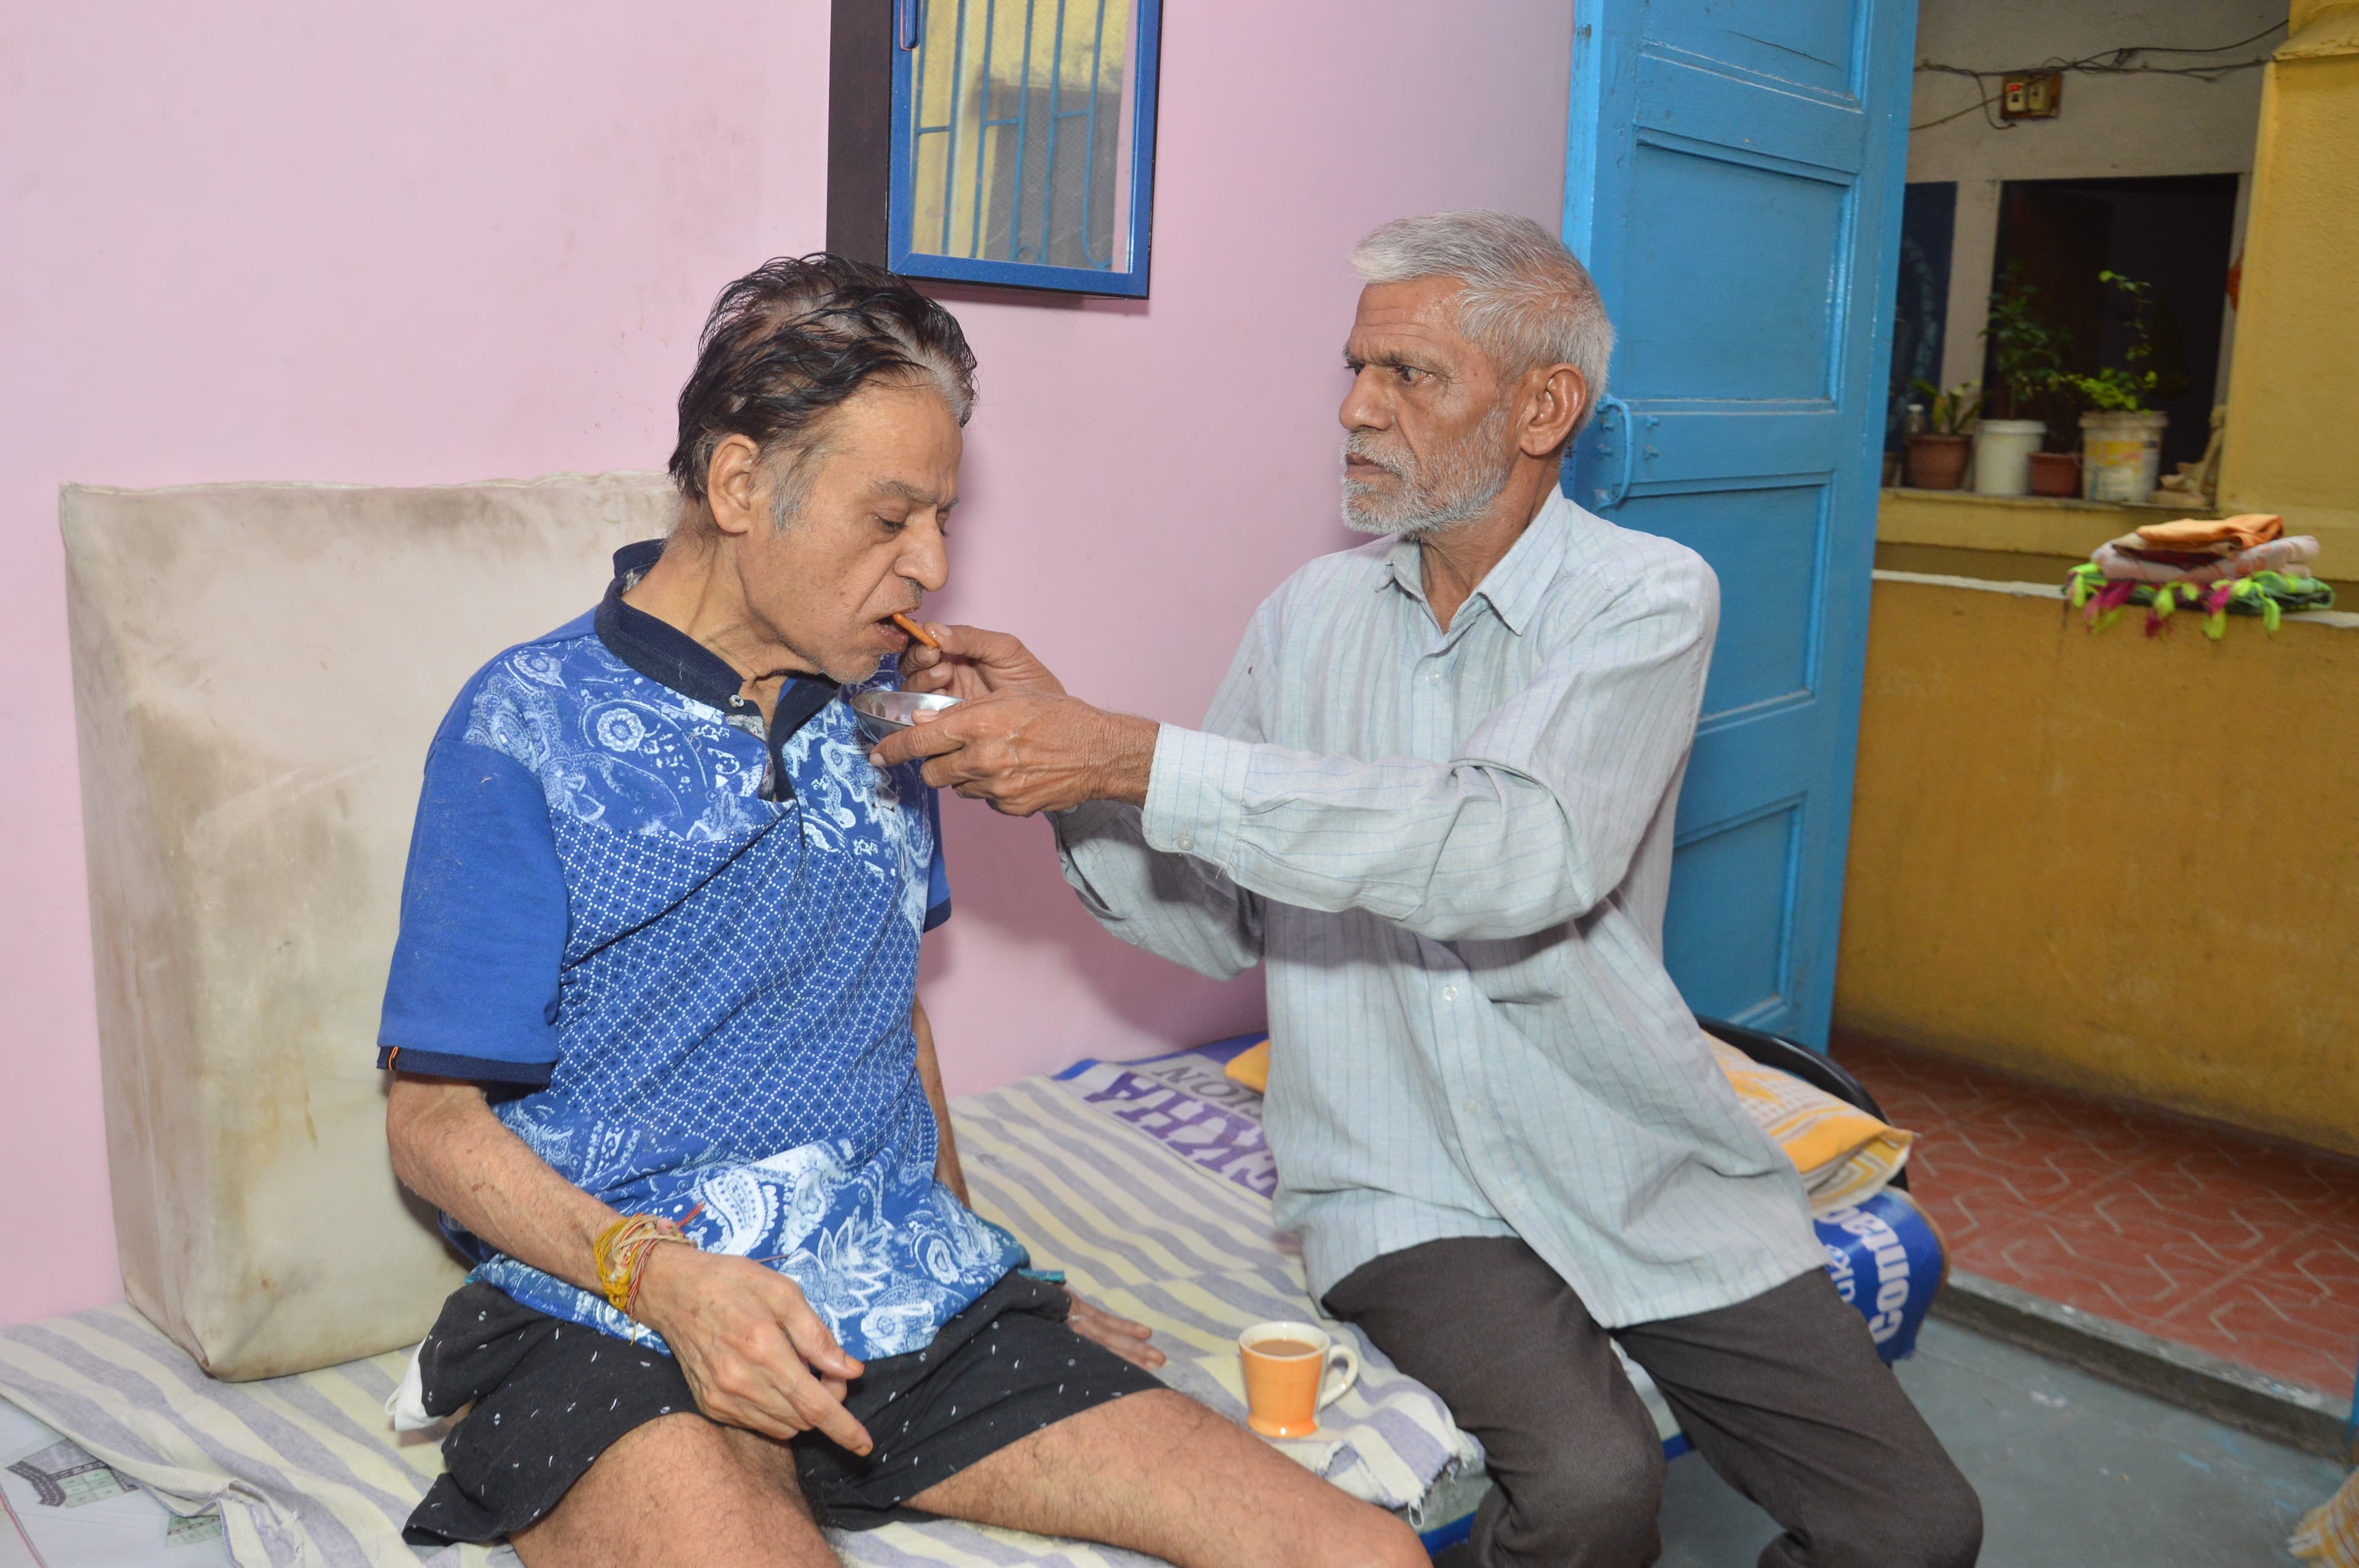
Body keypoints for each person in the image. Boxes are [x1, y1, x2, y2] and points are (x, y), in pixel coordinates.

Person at [874, 212, 1986, 1568]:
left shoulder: (1645, 601)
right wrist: (1072, 782)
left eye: (1408, 375)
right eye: (1354, 368)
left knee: (1920, 1527)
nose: (1354, 408)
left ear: (1544, 406)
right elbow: (1213, 913)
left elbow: (1514, 851)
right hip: (1401, 1189)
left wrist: (1137, 753)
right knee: (1589, 1481)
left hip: (1630, 1154)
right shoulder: (1308, 617)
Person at [377, 254, 1426, 1568]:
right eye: (890, 518)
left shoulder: (883, 723)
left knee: (1366, 1554)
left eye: (941, 517)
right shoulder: (524, 729)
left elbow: (889, 1019)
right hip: (618, 1304)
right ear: (742, 484)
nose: (928, 564)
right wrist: (665, 1277)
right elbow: (428, 1123)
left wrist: (980, 1260)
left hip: (891, 1284)